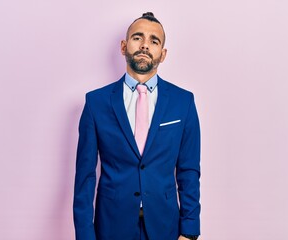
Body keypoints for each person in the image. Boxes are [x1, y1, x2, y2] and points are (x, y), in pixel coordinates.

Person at [73, 12, 201, 240]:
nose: (145, 45)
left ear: (163, 54)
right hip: (111, 227)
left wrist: (189, 232)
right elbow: (85, 176)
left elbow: (188, 170)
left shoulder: (184, 102)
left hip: (166, 227)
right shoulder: (96, 103)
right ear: (123, 46)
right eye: (137, 38)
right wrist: (85, 235)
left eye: (154, 41)